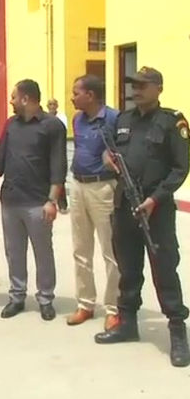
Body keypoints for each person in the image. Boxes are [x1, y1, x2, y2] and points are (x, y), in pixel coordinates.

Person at [94, 67, 190, 368]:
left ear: (158, 88)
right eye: (133, 85)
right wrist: (107, 160)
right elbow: (109, 154)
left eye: (142, 85)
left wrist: (154, 199)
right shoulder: (124, 120)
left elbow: (180, 168)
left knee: (164, 269)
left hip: (156, 209)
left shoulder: (172, 121)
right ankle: (127, 323)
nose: (136, 90)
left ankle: (177, 331)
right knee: (128, 267)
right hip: (125, 206)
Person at [0, 80, 67, 321]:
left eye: (14, 97)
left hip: (38, 202)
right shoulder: (11, 125)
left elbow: (58, 165)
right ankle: (17, 296)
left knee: (43, 253)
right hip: (11, 200)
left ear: (25, 99)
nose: (11, 101)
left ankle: (45, 298)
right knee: (14, 252)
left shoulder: (52, 126)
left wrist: (52, 201)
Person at [66, 74, 120, 331]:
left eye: (76, 93)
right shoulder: (78, 119)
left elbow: (122, 151)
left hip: (103, 188)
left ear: (90, 95)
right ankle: (85, 303)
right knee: (81, 249)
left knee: (111, 251)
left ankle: (114, 308)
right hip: (78, 186)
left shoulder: (114, 118)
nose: (72, 97)